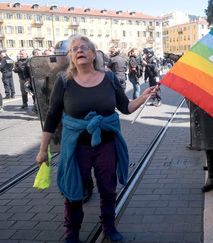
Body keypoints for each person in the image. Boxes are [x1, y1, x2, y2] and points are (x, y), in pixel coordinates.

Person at [34, 35, 159, 243]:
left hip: (106, 145)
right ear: (71, 57)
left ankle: (108, 226)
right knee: (74, 191)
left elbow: (125, 107)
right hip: (77, 148)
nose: (79, 50)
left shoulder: (108, 78)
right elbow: (52, 116)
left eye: (84, 47)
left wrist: (144, 96)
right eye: (75, 49)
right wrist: (42, 149)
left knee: (108, 190)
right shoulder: (64, 81)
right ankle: (71, 233)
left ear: (93, 54)